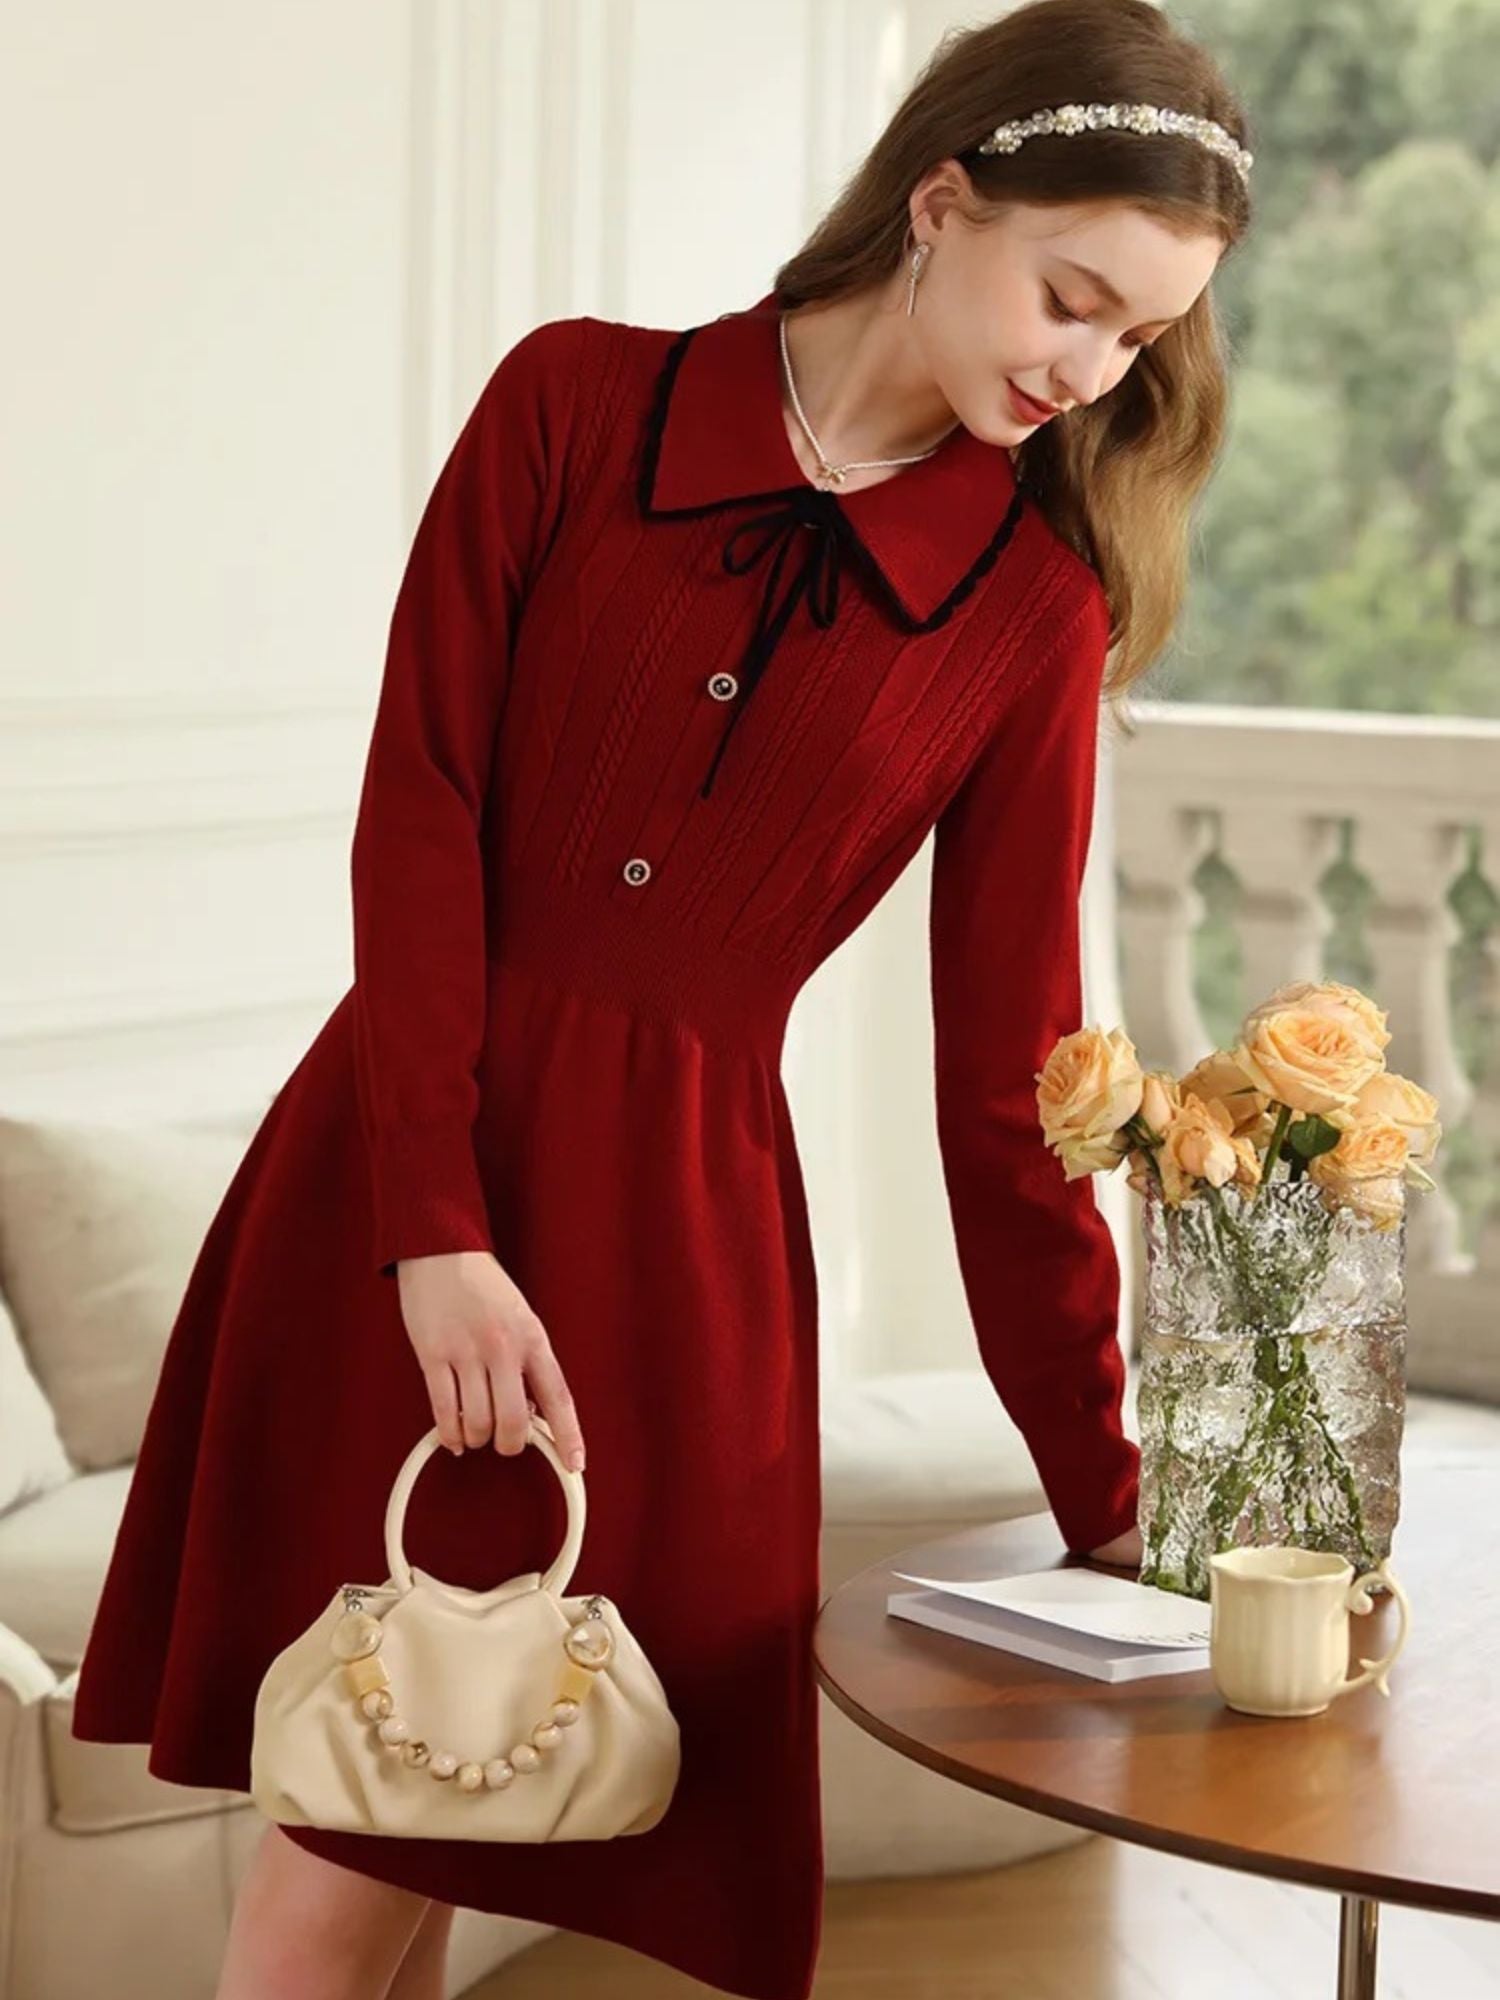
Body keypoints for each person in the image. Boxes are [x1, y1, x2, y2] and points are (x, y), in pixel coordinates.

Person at [67, 1, 1253, 1996]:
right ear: (939, 201)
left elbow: (1006, 1075)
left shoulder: (1031, 615)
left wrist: (1107, 1488)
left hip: (677, 1258)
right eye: (1071, 296)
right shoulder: (573, 405)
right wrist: (430, 1231)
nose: (1089, 368)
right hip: (393, 1186)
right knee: (351, 1831)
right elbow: (420, 812)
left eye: (1139, 338)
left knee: (467, 1796)